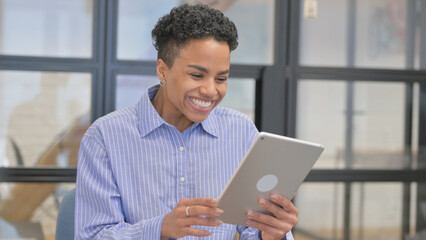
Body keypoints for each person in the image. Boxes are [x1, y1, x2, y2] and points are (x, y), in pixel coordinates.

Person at [75, 4, 298, 240]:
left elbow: (251, 232)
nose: (211, 90)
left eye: (221, 78)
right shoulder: (105, 137)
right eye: (197, 75)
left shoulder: (241, 132)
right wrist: (160, 228)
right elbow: (92, 236)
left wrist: (272, 234)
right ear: (162, 70)